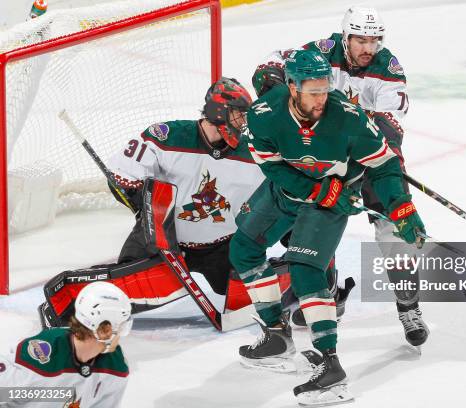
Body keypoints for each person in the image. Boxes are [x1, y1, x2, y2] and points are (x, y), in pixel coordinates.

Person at [230, 49, 425, 406]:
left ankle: (331, 368)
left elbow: (384, 166)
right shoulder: (263, 115)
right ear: (292, 87)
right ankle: (276, 334)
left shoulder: (348, 117)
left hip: (331, 202)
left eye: (325, 88)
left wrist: (401, 207)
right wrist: (318, 189)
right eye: (313, 91)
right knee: (243, 248)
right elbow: (271, 167)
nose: (322, 98)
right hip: (289, 193)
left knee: (305, 270)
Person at [251, 5, 428, 348]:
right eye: (360, 40)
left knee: (395, 232)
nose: (367, 48)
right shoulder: (320, 52)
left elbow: (389, 129)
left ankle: (409, 307)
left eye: (374, 41)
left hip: (368, 159)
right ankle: (329, 292)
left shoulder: (388, 69)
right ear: (346, 37)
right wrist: (273, 84)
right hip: (326, 160)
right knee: (310, 216)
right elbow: (270, 65)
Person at [37, 78, 276, 328]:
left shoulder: (254, 151)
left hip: (221, 246)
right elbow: (121, 173)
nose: (243, 122)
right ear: (218, 111)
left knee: (249, 293)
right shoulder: (166, 137)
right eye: (238, 114)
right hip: (161, 241)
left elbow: (281, 193)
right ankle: (64, 300)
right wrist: (138, 197)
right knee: (122, 290)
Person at [0, 282, 131, 407]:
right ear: (104, 331)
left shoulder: (115, 366)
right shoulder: (41, 360)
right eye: (121, 327)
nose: (120, 336)